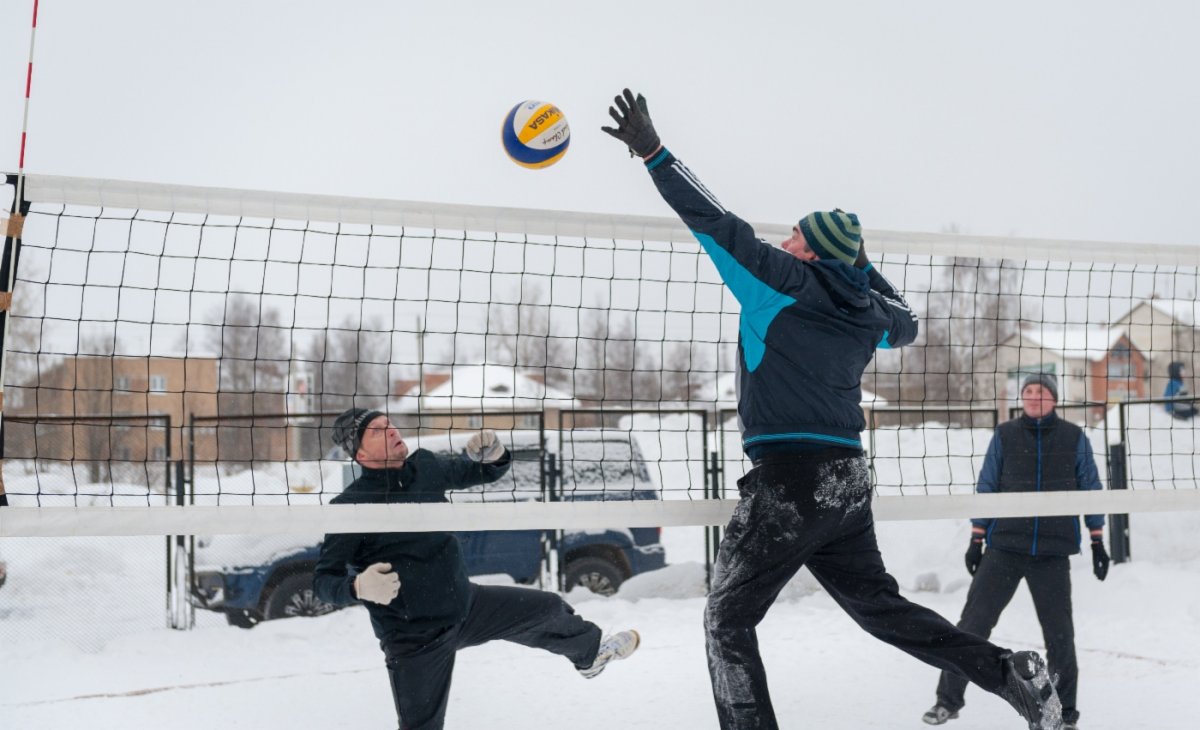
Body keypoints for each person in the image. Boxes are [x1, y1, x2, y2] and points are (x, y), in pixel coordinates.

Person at [601, 88, 1062, 730]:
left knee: (726, 618)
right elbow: (907, 323)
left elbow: (711, 219)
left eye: (794, 233)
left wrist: (654, 152)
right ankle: (1007, 671)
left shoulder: (777, 280)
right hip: (845, 481)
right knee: (881, 609)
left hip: (792, 484)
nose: (783, 238)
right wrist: (863, 265)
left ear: (810, 251)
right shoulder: (867, 313)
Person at [313, 408, 639, 730]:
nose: (393, 431)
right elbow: (323, 582)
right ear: (359, 452)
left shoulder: (424, 466)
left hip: (466, 606)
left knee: (548, 608)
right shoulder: (349, 508)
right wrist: (358, 587)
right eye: (377, 430)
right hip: (413, 636)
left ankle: (590, 655)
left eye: (390, 424)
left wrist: (494, 456)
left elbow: (481, 472)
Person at [923, 373, 1108, 730]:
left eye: (1041, 391)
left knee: (1060, 637)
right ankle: (947, 700)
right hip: (1005, 546)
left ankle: (1065, 714)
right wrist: (977, 536)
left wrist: (1097, 538)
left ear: (1054, 398)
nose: (1034, 397)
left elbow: (1092, 486)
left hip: (1052, 552)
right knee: (972, 626)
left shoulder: (1073, 437)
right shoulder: (1005, 434)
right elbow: (988, 483)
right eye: (1028, 391)